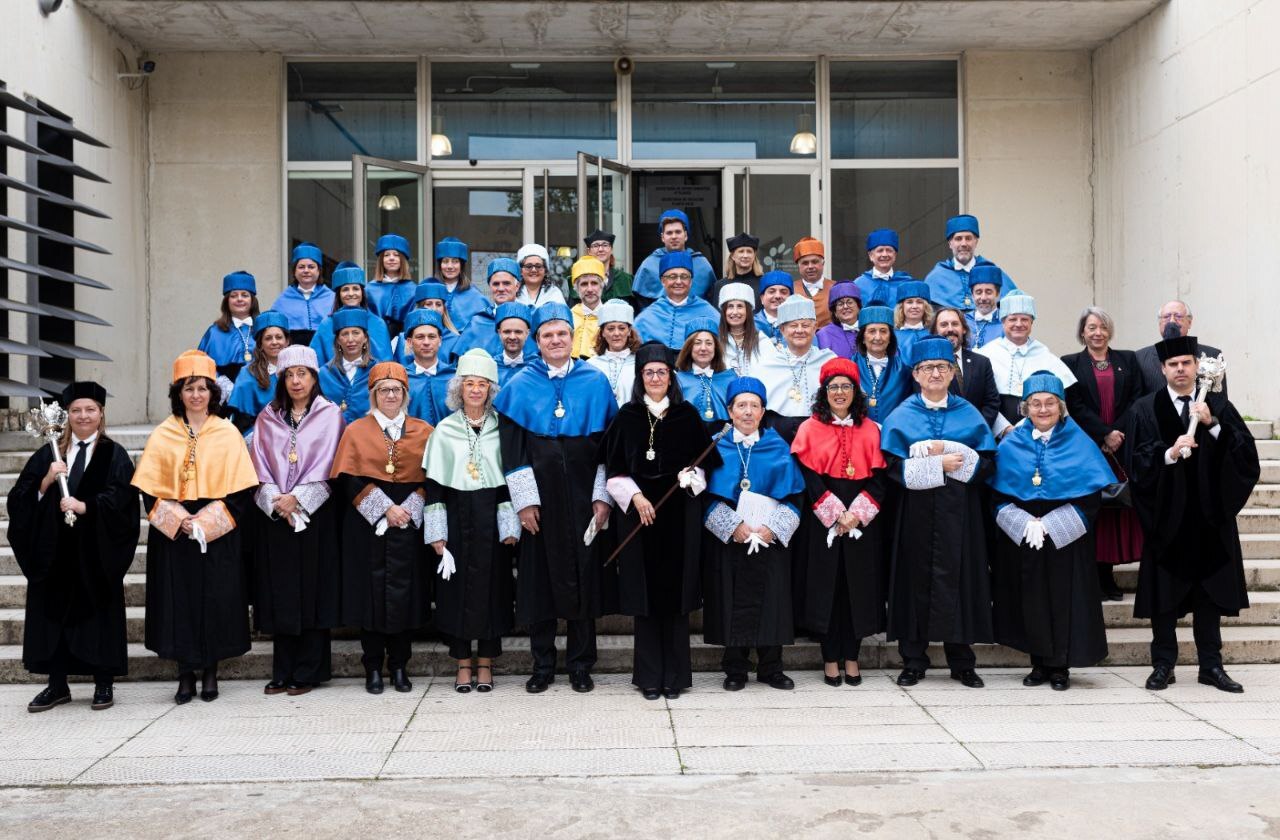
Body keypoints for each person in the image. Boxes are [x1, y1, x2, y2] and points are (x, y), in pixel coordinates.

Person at [493, 303, 619, 693]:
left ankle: (581, 664)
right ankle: (543, 665)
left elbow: (607, 446)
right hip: (540, 500)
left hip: (584, 497)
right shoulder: (519, 385)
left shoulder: (595, 381)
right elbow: (512, 452)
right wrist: (525, 501)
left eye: (562, 333)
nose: (555, 340)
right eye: (547, 335)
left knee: (584, 578)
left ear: (572, 337)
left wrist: (603, 498)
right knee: (539, 582)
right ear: (537, 341)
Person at [1129, 335, 1259, 694]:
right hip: (1167, 520)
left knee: (1208, 598)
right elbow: (1137, 463)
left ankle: (1211, 666)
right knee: (1165, 601)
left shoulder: (1217, 405)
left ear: (1197, 366)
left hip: (1209, 519)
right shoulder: (1145, 408)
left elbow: (1245, 457)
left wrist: (1213, 425)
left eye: (1187, 363)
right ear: (1162, 370)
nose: (1181, 369)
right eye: (1173, 364)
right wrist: (1169, 453)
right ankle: (1163, 665)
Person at [133, 350, 259, 704]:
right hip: (175, 535)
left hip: (217, 533)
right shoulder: (163, 433)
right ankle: (185, 673)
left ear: (212, 393)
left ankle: (211, 671)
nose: (196, 395)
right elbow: (149, 491)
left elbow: (240, 491)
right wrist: (181, 522)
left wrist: (205, 523)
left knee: (216, 600)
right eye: (189, 388)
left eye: (203, 388)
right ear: (178, 393)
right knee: (179, 602)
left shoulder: (227, 432)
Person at [7, 382, 140, 713]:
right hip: (54, 553)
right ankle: (56, 685)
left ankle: (103, 683)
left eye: (90, 410)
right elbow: (19, 500)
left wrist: (86, 506)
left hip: (96, 554)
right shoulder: (49, 454)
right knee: (54, 616)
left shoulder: (114, 455)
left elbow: (122, 500)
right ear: (67, 415)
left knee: (98, 615)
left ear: (101, 414)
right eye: (76, 411)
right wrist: (45, 482)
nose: (83, 416)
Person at [601, 342, 719, 699]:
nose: (655, 377)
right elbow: (613, 468)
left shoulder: (687, 416)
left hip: (679, 517)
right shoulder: (627, 416)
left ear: (671, 377)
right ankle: (650, 677)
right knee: (646, 602)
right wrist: (636, 497)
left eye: (662, 372)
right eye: (649, 372)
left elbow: (705, 467)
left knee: (675, 600)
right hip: (641, 519)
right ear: (640, 378)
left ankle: (677, 677)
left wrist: (691, 478)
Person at [881, 337, 997, 689]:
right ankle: (913, 660)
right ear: (915, 374)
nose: (935, 373)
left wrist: (951, 459)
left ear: (953, 373)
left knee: (961, 580)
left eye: (943, 368)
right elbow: (890, 467)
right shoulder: (901, 415)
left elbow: (987, 463)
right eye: (927, 368)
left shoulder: (969, 412)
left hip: (960, 513)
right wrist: (939, 465)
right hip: (915, 513)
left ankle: (962, 661)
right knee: (913, 580)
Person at [990, 372, 1115, 690]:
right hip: (1024, 533)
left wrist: (1051, 524)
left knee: (1064, 598)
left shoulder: (1080, 442)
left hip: (1066, 537)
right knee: (1029, 597)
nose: (1042, 410)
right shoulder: (1012, 444)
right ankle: (1038, 663)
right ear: (1025, 408)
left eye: (1049, 404)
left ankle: (1060, 665)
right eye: (1035, 404)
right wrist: (1022, 522)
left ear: (1061, 408)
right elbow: (996, 495)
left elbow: (1090, 500)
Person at [330, 361, 433, 695]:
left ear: (405, 394)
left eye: (396, 390)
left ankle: (400, 665)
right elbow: (347, 479)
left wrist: (408, 508)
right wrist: (384, 508)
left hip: (408, 520)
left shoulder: (424, 430)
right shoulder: (356, 430)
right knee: (370, 596)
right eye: (384, 390)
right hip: (368, 522)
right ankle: (372, 666)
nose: (390, 395)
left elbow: (433, 477)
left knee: (404, 596)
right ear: (373, 395)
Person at [248, 346, 345, 696]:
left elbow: (332, 464)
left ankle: (310, 670)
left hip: (314, 516)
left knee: (312, 592)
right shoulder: (268, 417)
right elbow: (257, 463)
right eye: (289, 375)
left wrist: (299, 501)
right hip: (276, 517)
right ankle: (283, 669)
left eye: (302, 374)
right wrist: (278, 502)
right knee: (281, 592)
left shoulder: (330, 415)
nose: (296, 381)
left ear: (314, 378)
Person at [423, 349, 520, 694]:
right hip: (456, 517)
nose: (475, 390)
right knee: (456, 594)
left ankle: (486, 664)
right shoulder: (445, 430)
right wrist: (437, 535)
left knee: (493, 591)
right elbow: (433, 486)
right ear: (458, 390)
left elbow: (507, 480)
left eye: (482, 385)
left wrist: (510, 528)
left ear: (490, 390)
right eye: (469, 384)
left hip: (492, 521)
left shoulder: (502, 428)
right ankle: (463, 663)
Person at [701, 376, 804, 691]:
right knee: (732, 600)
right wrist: (733, 526)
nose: (748, 412)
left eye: (754, 406)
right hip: (732, 538)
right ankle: (735, 667)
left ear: (763, 411)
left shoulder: (777, 446)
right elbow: (704, 495)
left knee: (773, 600)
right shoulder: (716, 446)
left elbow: (795, 495)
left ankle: (772, 667)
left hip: (768, 538)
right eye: (741, 405)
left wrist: (773, 527)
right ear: (730, 410)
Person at [790, 359, 889, 688]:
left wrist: (857, 514)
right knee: (827, 591)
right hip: (823, 522)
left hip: (862, 521)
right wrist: (835, 514)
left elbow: (879, 478)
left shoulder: (871, 430)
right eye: (834, 387)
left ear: (855, 391)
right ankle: (830, 658)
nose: (840, 392)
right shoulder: (809, 428)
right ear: (824, 392)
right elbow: (808, 476)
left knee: (855, 591)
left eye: (846, 386)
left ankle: (852, 656)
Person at [1060, 306, 1145, 599]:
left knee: (1116, 510)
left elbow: (1137, 397)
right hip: (1088, 445)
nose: (1097, 332)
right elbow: (1074, 404)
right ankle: (1092, 577)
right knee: (1093, 508)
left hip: (1121, 443)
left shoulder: (1128, 359)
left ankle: (1108, 577)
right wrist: (1102, 433)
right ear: (1082, 332)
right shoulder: (1070, 363)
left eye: (1102, 327)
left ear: (1110, 331)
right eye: (1091, 327)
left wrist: (1116, 433)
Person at [975, 291, 1075, 433]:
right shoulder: (986, 354)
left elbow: (1058, 402)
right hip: (996, 432)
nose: (1018, 324)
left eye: (1024, 319)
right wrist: (1004, 429)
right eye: (1012, 319)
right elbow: (982, 400)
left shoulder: (1044, 354)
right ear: (1003, 321)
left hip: (1038, 430)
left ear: (1032, 322)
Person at [753, 297, 837, 442]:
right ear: (782, 329)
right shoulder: (767, 364)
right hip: (777, 440)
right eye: (793, 326)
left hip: (820, 438)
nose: (799, 330)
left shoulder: (830, 361)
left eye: (805, 325)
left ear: (815, 327)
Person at [924, 215, 1017, 311]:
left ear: (976, 242)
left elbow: (1014, 308)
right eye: (958, 239)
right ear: (950, 244)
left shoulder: (992, 272)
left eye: (968, 238)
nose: (963, 244)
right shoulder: (937, 276)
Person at [1135, 300, 1228, 397]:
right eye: (1166, 317)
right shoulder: (1140, 358)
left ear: (1190, 322)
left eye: (1178, 316)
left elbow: (1221, 402)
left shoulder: (1212, 355)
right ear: (1159, 323)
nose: (1171, 321)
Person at [451, 259, 536, 362]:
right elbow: (460, 363)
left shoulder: (532, 318)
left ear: (517, 286)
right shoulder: (477, 322)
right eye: (496, 284)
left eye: (506, 283)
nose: (500, 288)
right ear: (490, 287)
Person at [308, 264, 394, 366]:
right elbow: (315, 362)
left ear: (362, 292)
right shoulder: (326, 324)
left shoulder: (378, 323)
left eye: (355, 288)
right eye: (345, 289)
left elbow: (386, 364)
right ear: (338, 294)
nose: (351, 293)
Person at [633, 251, 721, 350]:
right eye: (672, 276)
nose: (678, 282)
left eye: (684, 277)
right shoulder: (646, 318)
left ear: (691, 281)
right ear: (663, 281)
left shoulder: (710, 313)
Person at [931, 306, 1001, 428]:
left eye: (955, 324)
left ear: (963, 329)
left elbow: (991, 402)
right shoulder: (925, 366)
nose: (950, 329)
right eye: (943, 325)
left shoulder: (982, 363)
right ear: (935, 331)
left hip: (977, 436)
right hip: (941, 436)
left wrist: (976, 430)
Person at [632, 208, 717, 307]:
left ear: (685, 235)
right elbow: (641, 304)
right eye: (669, 233)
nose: (674, 236)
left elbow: (712, 299)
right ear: (662, 237)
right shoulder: (649, 265)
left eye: (678, 232)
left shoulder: (702, 264)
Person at [226, 311, 290, 436]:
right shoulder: (248, 374)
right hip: (260, 439)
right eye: (268, 338)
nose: (274, 342)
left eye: (279, 337)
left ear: (287, 341)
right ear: (260, 344)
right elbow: (242, 423)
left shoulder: (298, 370)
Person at [197, 270, 260, 395]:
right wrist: (222, 385)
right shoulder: (214, 332)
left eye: (244, 295)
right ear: (227, 301)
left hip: (257, 393)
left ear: (252, 300)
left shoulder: (263, 330)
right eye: (233, 295)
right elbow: (201, 366)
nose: (239, 299)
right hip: (223, 397)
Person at [854, 305, 912, 425]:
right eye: (872, 331)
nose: (878, 337)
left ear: (890, 337)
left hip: (893, 435)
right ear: (863, 337)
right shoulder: (850, 367)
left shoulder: (904, 371)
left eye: (883, 331)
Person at [269, 242, 335, 346]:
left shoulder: (332, 298)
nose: (306, 270)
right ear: (294, 271)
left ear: (319, 271)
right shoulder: (283, 300)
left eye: (311, 267)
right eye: (301, 267)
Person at [317, 307, 375, 424]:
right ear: (338, 340)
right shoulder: (324, 373)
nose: (350, 339)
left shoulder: (377, 370)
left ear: (365, 338)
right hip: (333, 437)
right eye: (344, 334)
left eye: (356, 333)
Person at [675, 318, 735, 427]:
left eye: (709, 343)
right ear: (689, 348)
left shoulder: (731, 379)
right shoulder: (677, 380)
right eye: (697, 343)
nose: (703, 348)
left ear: (716, 347)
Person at [402, 309, 456, 426]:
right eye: (420, 337)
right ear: (410, 342)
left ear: (440, 340)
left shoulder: (454, 377)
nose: (426, 342)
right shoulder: (401, 378)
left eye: (432, 336)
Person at [585, 299, 639, 405]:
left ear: (629, 331)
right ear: (603, 333)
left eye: (622, 328)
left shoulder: (640, 362)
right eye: (610, 328)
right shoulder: (591, 365)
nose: (616, 333)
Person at [365, 233, 416, 337]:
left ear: (403, 259)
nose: (391, 258)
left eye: (396, 255)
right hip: (375, 341)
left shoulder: (413, 289)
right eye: (387, 255)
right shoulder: (369, 289)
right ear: (381, 260)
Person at [432, 236, 489, 327]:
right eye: (445, 261)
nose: (450, 266)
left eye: (455, 261)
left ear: (461, 265)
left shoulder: (475, 296)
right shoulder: (430, 291)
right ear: (440, 265)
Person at [403, 281, 462, 364]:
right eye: (429, 304)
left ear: (444, 309)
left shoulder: (455, 340)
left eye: (438, 304)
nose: (434, 309)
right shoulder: (403, 340)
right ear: (420, 307)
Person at [854, 228, 914, 307]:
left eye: (889, 250)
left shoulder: (906, 284)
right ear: (871, 256)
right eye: (880, 250)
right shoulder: (858, 284)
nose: (885, 254)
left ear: (895, 255)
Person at [718, 282, 765, 377]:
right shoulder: (716, 342)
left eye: (740, 306)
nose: (735, 312)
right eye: (730, 306)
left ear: (748, 311)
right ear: (724, 311)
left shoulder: (762, 341)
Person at [791, 236, 836, 328]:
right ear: (798, 266)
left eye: (814, 262)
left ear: (822, 264)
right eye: (805, 263)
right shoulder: (790, 289)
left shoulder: (836, 288)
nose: (810, 266)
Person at [581, 229, 634, 305]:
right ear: (589, 251)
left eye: (605, 245)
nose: (600, 249)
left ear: (611, 249)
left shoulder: (626, 280)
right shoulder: (580, 280)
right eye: (595, 246)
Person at [570, 256, 608, 358]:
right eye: (584, 284)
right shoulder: (569, 316)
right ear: (576, 288)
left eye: (594, 283)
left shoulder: (610, 316)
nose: (590, 289)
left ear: (602, 285)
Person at [711, 231, 762, 305]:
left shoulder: (763, 283)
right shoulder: (721, 285)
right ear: (732, 256)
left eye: (749, 252)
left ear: (754, 255)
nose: (745, 255)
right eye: (741, 251)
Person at [814, 281, 862, 360]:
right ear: (835, 312)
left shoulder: (868, 330)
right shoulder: (824, 334)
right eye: (840, 304)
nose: (845, 307)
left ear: (858, 307)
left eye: (849, 302)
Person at [493, 302, 537, 387]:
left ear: (527, 334)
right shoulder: (490, 366)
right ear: (499, 333)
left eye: (518, 332)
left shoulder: (537, 367)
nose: (512, 337)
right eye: (507, 332)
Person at [963, 265, 1006, 349]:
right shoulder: (962, 321)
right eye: (978, 292)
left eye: (988, 292)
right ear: (972, 295)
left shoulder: (1007, 322)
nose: (983, 298)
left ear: (998, 294)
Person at [515, 243, 567, 309]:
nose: (534, 270)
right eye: (529, 266)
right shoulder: (513, 292)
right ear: (521, 271)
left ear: (545, 271)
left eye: (538, 266)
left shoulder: (555, 294)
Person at [892, 279, 934, 361]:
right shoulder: (892, 336)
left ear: (925, 307)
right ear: (902, 307)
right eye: (909, 302)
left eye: (919, 302)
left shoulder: (933, 334)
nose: (914, 306)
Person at [755, 271, 793, 341]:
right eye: (771, 291)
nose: (777, 296)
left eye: (783, 292)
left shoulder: (801, 325)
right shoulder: (750, 325)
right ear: (762, 298)